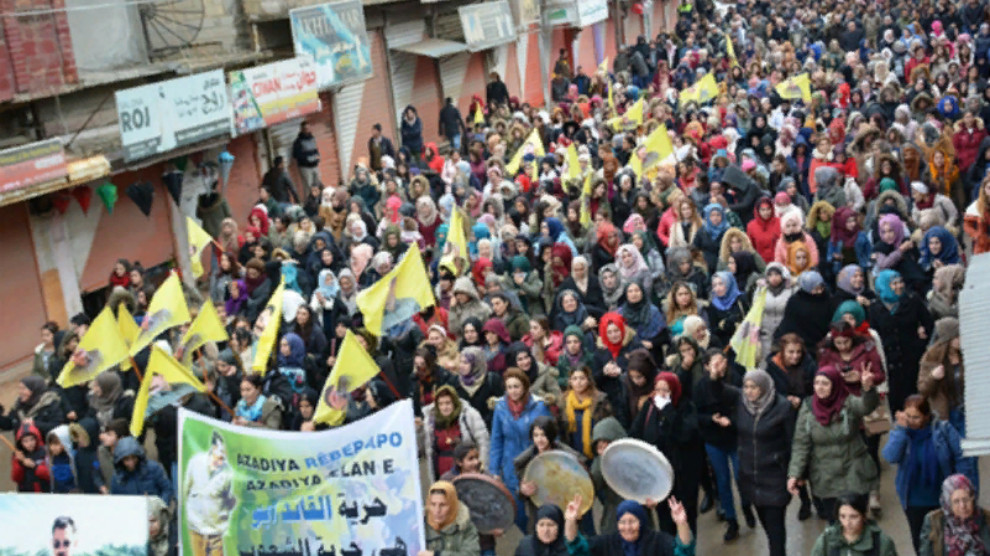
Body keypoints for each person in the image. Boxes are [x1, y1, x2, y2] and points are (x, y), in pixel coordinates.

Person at [883, 395, 976, 553]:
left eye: (916, 417)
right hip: (913, 500)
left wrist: (964, 486)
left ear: (926, 416)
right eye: (908, 416)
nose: (911, 421)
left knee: (948, 540)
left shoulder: (943, 429)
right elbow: (890, 456)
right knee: (921, 542)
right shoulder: (902, 432)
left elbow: (961, 456)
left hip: (942, 497)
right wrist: (900, 430)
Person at [788, 367, 878, 521]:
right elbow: (801, 443)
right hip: (825, 474)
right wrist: (794, 474)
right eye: (817, 383)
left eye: (825, 383)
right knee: (835, 522)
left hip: (854, 469)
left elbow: (866, 406)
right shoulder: (808, 407)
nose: (820, 388)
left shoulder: (847, 402)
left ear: (835, 384)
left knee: (858, 520)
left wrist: (868, 389)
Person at [489, 368, 552, 529]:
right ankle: (531, 536)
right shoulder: (500, 408)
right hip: (511, 466)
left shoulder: (539, 406)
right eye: (509, 387)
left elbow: (552, 435)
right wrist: (494, 471)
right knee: (516, 512)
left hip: (535, 464)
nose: (513, 391)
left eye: (516, 386)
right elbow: (496, 440)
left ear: (524, 386)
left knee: (540, 510)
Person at [562, 494, 696, 556]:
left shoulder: (657, 541)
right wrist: (570, 521)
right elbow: (576, 548)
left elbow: (684, 551)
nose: (627, 527)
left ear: (642, 522)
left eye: (632, 522)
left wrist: (681, 523)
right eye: (622, 522)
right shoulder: (608, 543)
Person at [420, 385, 490, 483]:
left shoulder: (469, 415)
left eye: (448, 403)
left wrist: (482, 468)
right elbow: (425, 448)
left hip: (468, 473)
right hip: (441, 475)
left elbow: (483, 442)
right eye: (440, 404)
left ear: (454, 402)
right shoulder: (430, 421)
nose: (444, 407)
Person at [184, 431, 235, 556]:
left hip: (216, 532)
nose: (221, 461)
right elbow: (185, 489)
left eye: (224, 458)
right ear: (213, 448)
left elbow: (230, 501)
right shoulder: (196, 462)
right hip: (196, 528)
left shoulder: (228, 473)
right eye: (219, 456)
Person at [919, 474, 990, 556]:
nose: (962, 506)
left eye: (966, 499)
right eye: (956, 501)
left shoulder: (986, 518)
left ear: (973, 499)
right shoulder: (933, 521)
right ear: (948, 504)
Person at [809, 494, 898, 556]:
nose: (848, 522)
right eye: (842, 516)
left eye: (854, 516)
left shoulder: (881, 542)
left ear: (863, 516)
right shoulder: (826, 540)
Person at [419, 481, 481, 556]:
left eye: (442, 505)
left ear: (452, 505)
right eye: (433, 504)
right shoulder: (420, 527)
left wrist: (437, 555)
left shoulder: (465, 527)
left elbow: (472, 554)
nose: (437, 510)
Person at [110, 436, 172, 504]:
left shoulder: (154, 468)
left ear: (139, 456)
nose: (131, 463)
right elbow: (114, 500)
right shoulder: (117, 478)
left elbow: (167, 489)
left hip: (154, 510)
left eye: (134, 457)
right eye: (126, 459)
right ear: (120, 461)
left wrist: (160, 507)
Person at [291, 121, 321, 197]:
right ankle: (309, 203)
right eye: (305, 128)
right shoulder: (298, 142)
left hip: (315, 166)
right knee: (308, 186)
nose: (307, 130)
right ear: (302, 129)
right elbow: (295, 155)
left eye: (308, 128)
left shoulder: (312, 138)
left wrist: (317, 157)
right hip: (305, 167)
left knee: (318, 184)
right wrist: (307, 159)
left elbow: (316, 150)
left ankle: (318, 201)